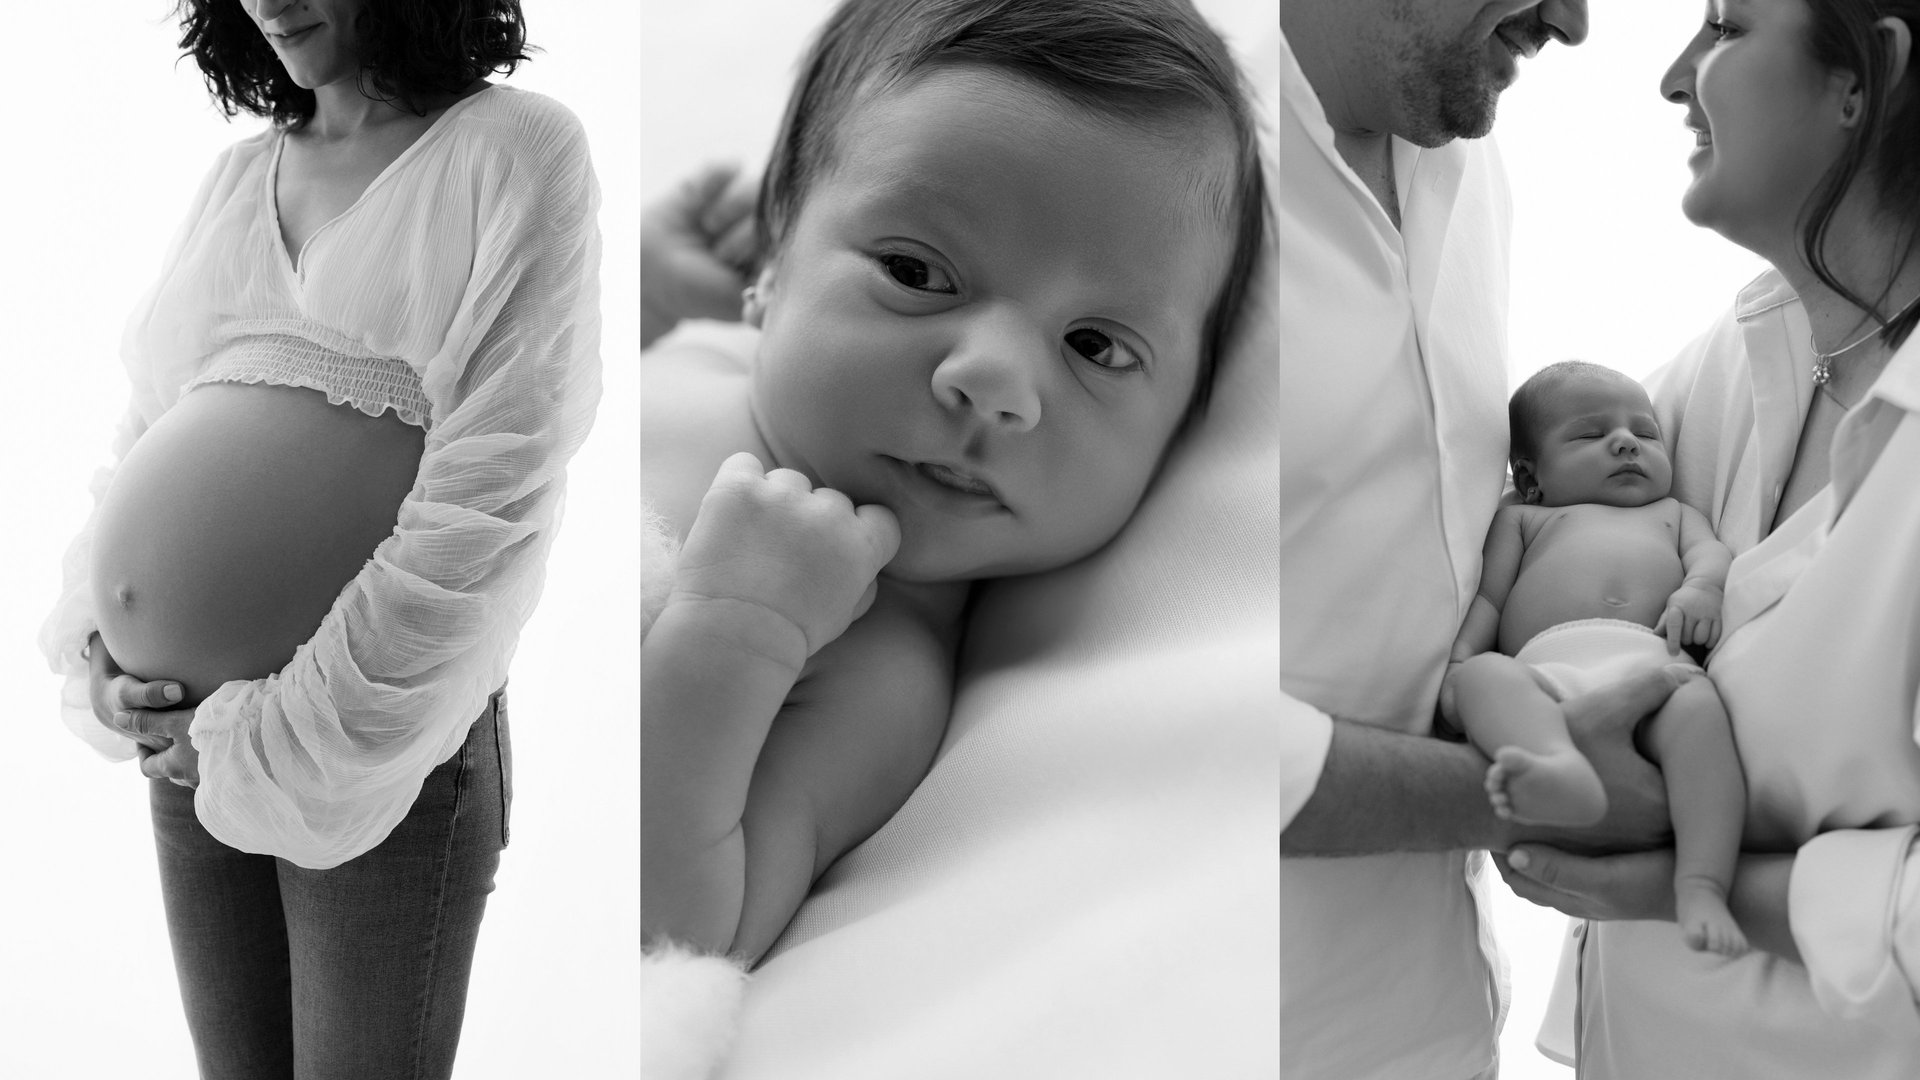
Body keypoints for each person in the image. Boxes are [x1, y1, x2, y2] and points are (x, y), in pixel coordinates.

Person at [641, 2, 1281, 1075]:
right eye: (917, 272)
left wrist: (734, 638)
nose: (993, 378)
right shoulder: (697, 347)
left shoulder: (874, 662)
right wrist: (653, 292)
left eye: (1094, 345)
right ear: (775, 255)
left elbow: (686, 923)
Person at [38, 0, 600, 1075]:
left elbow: (497, 486)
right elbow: (146, 431)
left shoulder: (513, 148)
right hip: (183, 749)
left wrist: (283, 730)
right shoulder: (236, 180)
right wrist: (102, 657)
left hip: (373, 741)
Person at [1497, 0, 1920, 1074]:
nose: (1674, 78)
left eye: (1726, 29)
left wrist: (1678, 873)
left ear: (1863, 78)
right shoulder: (1723, 371)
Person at [1275, 1, 1694, 1077]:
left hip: (1433, 1020)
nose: (1576, 21)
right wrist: (1555, 797)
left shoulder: (1474, 161)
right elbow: (1077, 671)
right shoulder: (1140, 133)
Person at [1446, 361, 1746, 955]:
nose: (1626, 440)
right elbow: (1488, 596)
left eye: (1645, 432)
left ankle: (1702, 882)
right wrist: (1461, 659)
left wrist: (1702, 589)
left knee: (1702, 716)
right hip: (1545, 672)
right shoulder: (1525, 518)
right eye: (1590, 434)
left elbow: (1711, 555)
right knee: (1486, 677)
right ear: (1530, 478)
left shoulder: (1675, 514)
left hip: (1655, 668)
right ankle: (1555, 763)